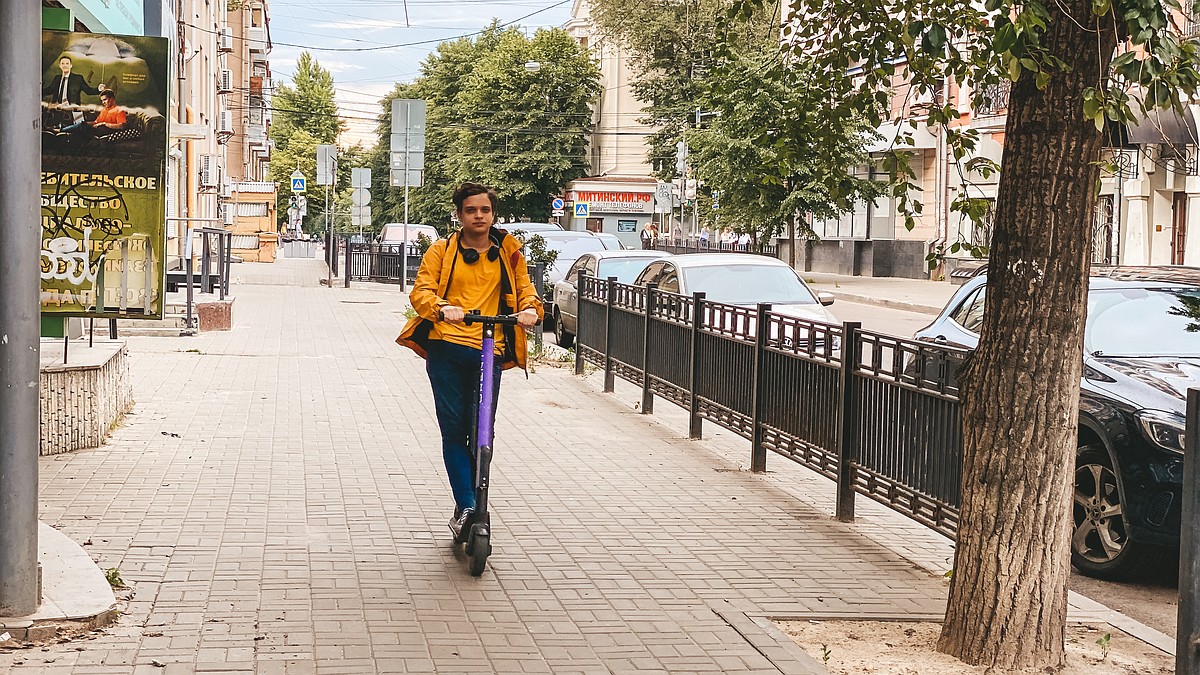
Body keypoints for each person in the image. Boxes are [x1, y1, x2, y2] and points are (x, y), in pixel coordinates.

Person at [396, 182, 543, 534]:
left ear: (493, 214)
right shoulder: (442, 251)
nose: (479, 216)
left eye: (485, 210)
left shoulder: (510, 253)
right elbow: (422, 291)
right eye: (471, 210)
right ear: (459, 215)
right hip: (447, 346)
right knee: (454, 430)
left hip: (489, 349)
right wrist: (442, 308)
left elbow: (527, 291)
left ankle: (477, 504)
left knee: (482, 433)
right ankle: (466, 507)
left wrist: (530, 310)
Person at [56, 89, 126, 139]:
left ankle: (60, 129)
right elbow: (96, 122)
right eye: (102, 101)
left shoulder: (119, 110)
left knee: (81, 126)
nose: (103, 103)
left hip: (105, 131)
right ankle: (62, 127)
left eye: (105, 100)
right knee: (81, 125)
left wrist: (104, 124)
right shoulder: (104, 109)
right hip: (96, 129)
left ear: (112, 99)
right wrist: (86, 123)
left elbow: (121, 126)